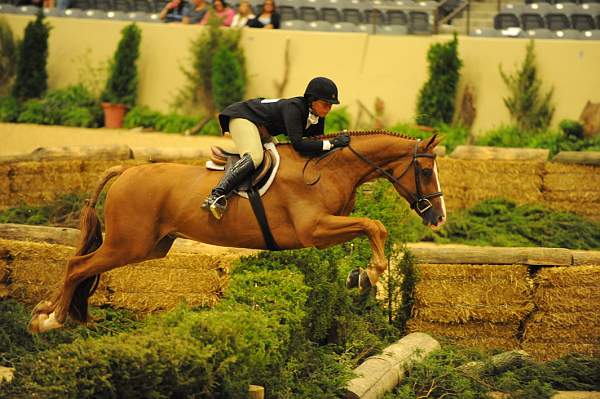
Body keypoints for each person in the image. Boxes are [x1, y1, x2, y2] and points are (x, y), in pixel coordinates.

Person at [202, 77, 351, 219]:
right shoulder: (295, 108)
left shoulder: (317, 117)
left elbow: (318, 143)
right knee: (256, 157)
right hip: (244, 118)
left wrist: (334, 145)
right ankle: (217, 195)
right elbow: (298, 144)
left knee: (280, 158)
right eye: (326, 104)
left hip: (264, 129)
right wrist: (332, 143)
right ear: (312, 100)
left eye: (331, 105)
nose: (328, 109)